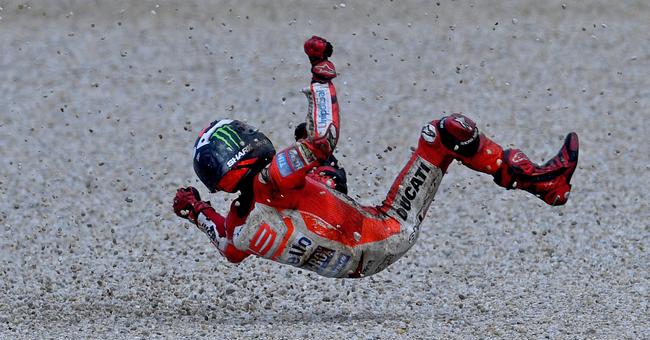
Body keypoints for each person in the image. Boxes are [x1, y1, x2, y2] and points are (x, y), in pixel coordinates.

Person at [173, 36, 579, 278]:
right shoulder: (272, 177)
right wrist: (320, 75)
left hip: (351, 256)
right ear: (240, 151)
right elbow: (321, 140)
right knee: (444, 131)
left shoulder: (242, 223)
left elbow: (228, 246)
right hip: (387, 229)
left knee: (319, 180)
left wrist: (195, 210)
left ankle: (331, 181)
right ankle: (537, 180)